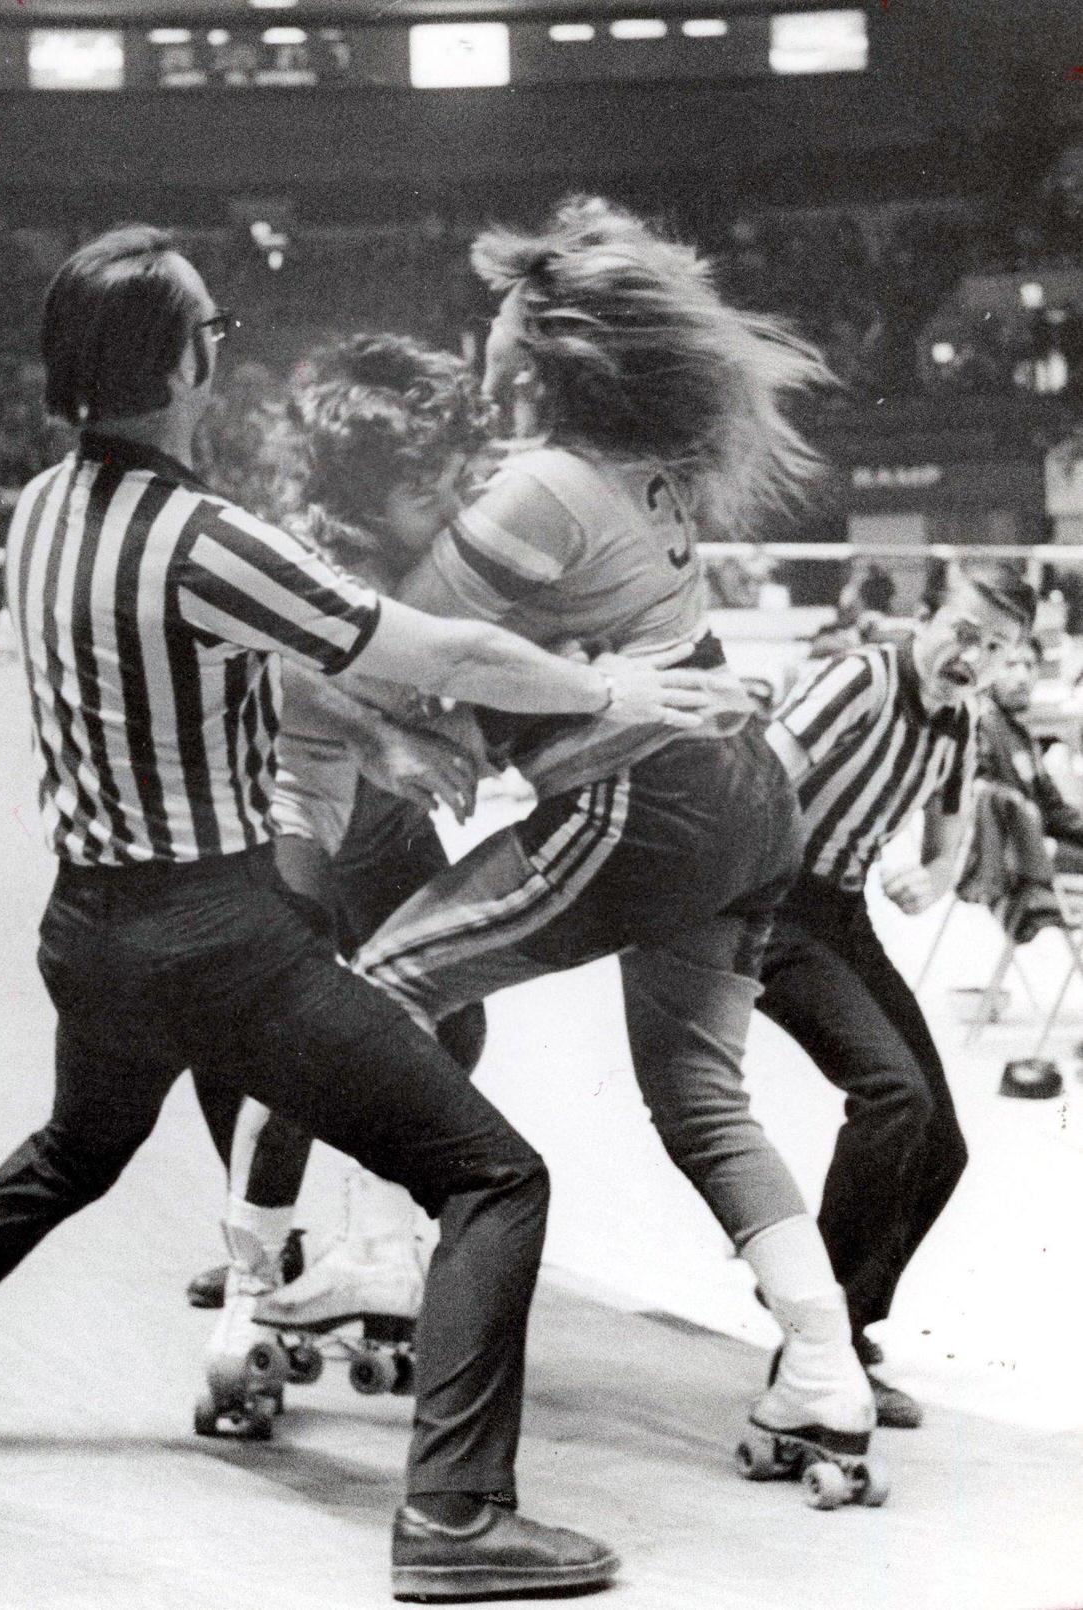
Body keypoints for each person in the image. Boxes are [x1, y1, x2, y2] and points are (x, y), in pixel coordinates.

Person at [0, 227, 745, 1601]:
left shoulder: (39, 508)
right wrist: (618, 697)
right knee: (493, 1176)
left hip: (88, 927)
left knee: (72, 1150)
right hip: (217, 940)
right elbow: (448, 649)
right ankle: (458, 1522)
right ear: (183, 362)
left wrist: (394, 741)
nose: (220, 353)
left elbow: (275, 677)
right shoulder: (206, 538)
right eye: (212, 332)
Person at [263, 197, 879, 1474]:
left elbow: (388, 652)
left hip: (647, 799)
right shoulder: (640, 468)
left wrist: (386, 716)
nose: (480, 332)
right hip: (747, 797)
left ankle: (374, 1250)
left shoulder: (537, 486)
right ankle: (823, 1364)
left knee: (378, 990)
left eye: (498, 314)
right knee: (702, 1096)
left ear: (535, 351)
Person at [186, 332, 497, 1316]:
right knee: (280, 1030)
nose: (448, 505)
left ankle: (373, 1237)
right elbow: (283, 667)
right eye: (427, 488)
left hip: (384, 821)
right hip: (295, 802)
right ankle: (258, 1254)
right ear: (365, 491)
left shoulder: (434, 542)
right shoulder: (305, 545)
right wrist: (382, 737)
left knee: (455, 1019)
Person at [757, 568, 1037, 1427]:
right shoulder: (861, 678)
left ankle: (842, 1331)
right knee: (893, 1094)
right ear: (926, 618)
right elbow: (760, 771)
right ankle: (815, 1347)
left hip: (840, 915)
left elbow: (947, 844)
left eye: (995, 648)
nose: (972, 656)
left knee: (943, 1142)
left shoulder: (965, 724)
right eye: (963, 631)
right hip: (771, 906)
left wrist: (934, 873)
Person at [979, 633, 1083, 875]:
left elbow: (1054, 809)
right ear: (989, 668)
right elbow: (981, 803)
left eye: (1030, 665)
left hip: (1033, 850)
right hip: (1007, 861)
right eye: (1011, 665)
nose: (1023, 677)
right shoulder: (979, 727)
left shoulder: (1020, 735)